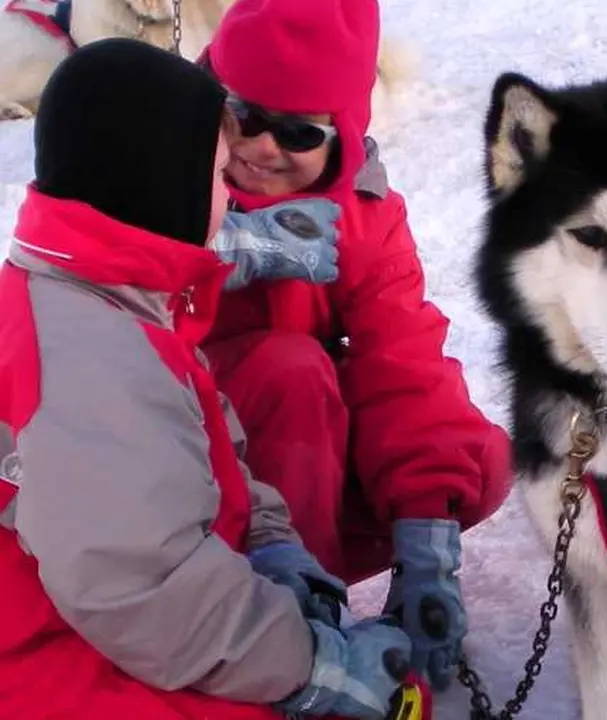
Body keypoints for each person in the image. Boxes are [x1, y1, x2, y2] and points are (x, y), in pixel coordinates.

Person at [0, 38, 412, 719]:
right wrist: (313, 668)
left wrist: (273, 543)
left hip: (85, 619)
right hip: (40, 656)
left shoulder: (106, 298)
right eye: (220, 176)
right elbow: (144, 591)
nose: (233, 194)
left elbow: (206, 449)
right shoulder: (88, 359)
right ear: (162, 183)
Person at [196, 0, 513, 692]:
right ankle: (289, 629)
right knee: (291, 370)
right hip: (175, 467)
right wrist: (220, 249)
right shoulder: (155, 168)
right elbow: (91, 287)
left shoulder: (365, 216)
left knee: (473, 461)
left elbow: (404, 365)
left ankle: (324, 583)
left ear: (342, 135)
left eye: (296, 132)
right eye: (243, 115)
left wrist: (427, 541)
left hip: (282, 469)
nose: (261, 146)